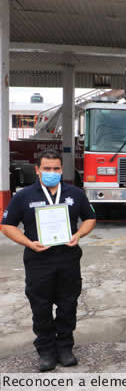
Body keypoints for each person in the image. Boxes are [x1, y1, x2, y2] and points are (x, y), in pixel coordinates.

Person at [1, 150, 96, 371]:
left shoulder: (74, 193)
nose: (52, 173)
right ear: (37, 170)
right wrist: (28, 242)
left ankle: (65, 347)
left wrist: (79, 234)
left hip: (68, 258)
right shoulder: (23, 196)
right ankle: (45, 350)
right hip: (38, 260)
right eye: (47, 169)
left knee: (68, 304)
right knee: (40, 306)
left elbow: (90, 218)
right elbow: (7, 225)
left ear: (62, 170)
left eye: (56, 169)